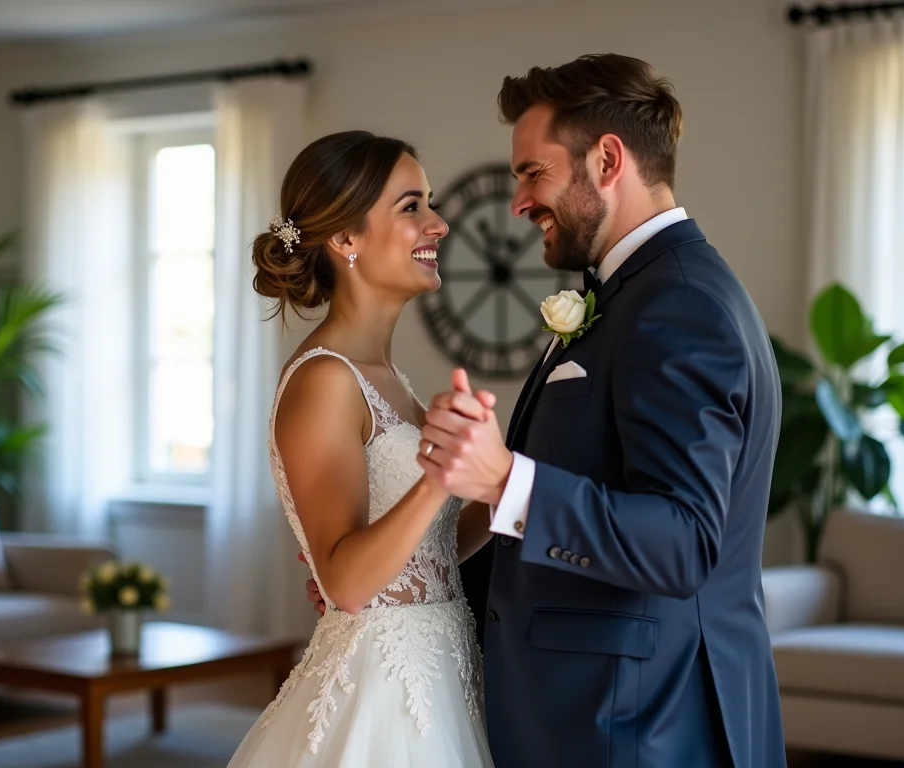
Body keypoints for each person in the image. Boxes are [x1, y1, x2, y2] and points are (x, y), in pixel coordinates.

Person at [310, 54, 788, 767]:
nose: (519, 202)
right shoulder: (635, 293)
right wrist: (402, 589)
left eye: (534, 173)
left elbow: (685, 541)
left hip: (640, 722)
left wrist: (506, 480)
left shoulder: (677, 304)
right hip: (595, 709)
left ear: (607, 160)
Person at [226, 130, 496, 767]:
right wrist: (439, 474)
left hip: (441, 672)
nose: (439, 223)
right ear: (345, 239)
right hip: (378, 690)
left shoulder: (388, 380)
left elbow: (420, 555)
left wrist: (512, 486)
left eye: (428, 203)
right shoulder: (325, 379)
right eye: (412, 207)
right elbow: (345, 582)